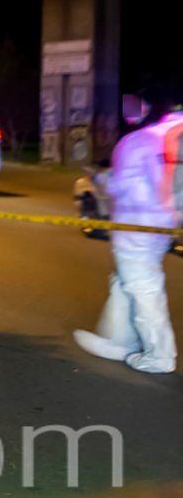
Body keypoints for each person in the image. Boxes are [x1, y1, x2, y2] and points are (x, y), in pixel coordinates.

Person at [73, 108, 182, 374]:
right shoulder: (171, 140)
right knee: (126, 282)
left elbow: (121, 186)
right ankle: (119, 340)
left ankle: (160, 355)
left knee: (143, 287)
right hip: (161, 226)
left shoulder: (137, 141)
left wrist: (100, 178)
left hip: (136, 227)